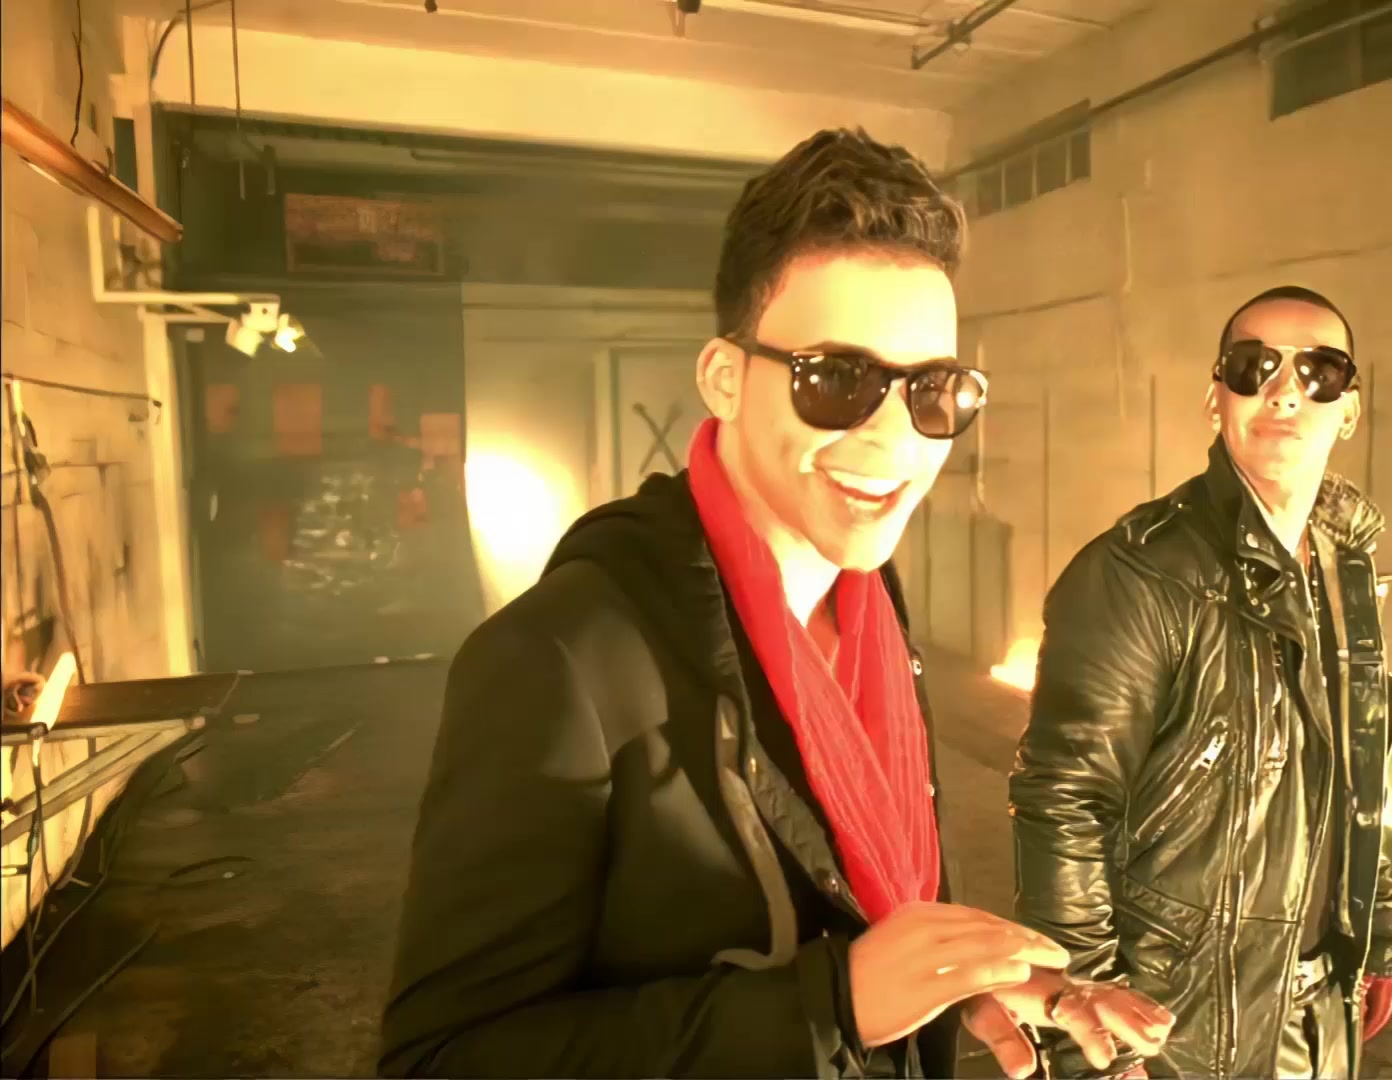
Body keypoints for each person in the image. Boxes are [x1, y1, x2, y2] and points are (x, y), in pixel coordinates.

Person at [379, 128, 1171, 1080]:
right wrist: (831, 1006)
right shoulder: (559, 660)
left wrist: (952, 980)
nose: (895, 441)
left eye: (933, 390)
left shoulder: (871, 609)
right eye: (836, 380)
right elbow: (445, 1058)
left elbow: (857, 892)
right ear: (725, 379)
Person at [1008, 286, 1392, 1078]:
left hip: (1316, 1009)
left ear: (1350, 409)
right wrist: (1091, 1037)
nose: (1285, 390)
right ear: (1214, 398)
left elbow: (1348, 771)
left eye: (1319, 372)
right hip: (1178, 1024)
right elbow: (1064, 802)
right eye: (1253, 365)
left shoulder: (1345, 569)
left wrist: (1380, 930)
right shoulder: (1138, 574)